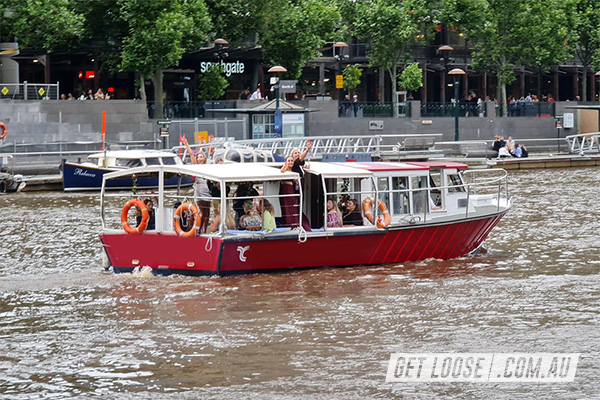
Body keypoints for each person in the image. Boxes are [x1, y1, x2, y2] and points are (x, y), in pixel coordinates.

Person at [182, 136, 210, 233]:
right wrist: (186, 144)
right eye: (198, 157)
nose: (199, 158)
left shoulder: (209, 168)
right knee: (202, 211)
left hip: (207, 191)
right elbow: (191, 154)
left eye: (201, 156)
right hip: (199, 190)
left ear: (204, 158)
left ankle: (205, 229)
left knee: (208, 213)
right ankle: (198, 229)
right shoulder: (196, 167)